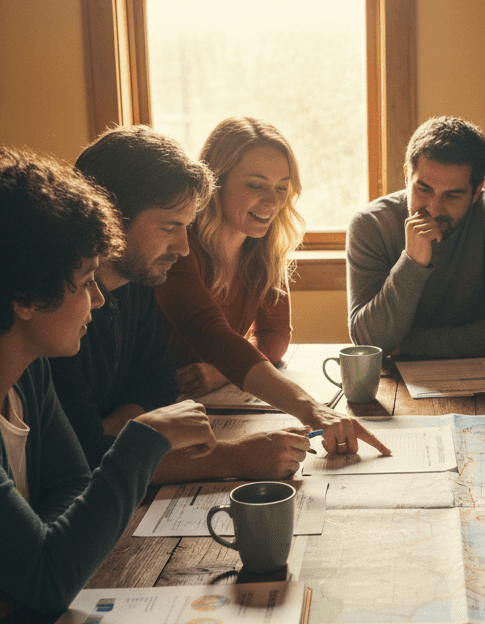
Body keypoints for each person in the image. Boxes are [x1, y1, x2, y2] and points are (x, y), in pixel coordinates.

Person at [0, 151, 215, 624]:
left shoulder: (25, 366)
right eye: (85, 280)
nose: (100, 300)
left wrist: (6, 583)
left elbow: (71, 484)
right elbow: (49, 577)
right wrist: (144, 438)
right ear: (24, 296)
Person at [50, 126, 312, 481]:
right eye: (169, 226)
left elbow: (156, 382)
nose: (183, 247)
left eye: (186, 226)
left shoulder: (138, 279)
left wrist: (117, 431)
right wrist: (235, 458)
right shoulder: (54, 307)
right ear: (110, 217)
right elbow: (81, 462)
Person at [155, 117, 389, 457]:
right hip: (160, 408)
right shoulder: (179, 243)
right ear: (214, 183)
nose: (272, 201)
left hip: (216, 409)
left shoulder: (264, 247)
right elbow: (212, 335)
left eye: (282, 187)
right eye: (255, 185)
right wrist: (313, 410)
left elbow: (276, 334)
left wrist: (223, 373)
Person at [347, 116, 485, 358]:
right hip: (394, 386)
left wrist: (411, 346)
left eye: (452, 196)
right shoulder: (370, 225)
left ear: (476, 191)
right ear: (407, 176)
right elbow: (368, 342)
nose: (434, 209)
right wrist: (412, 263)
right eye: (423, 189)